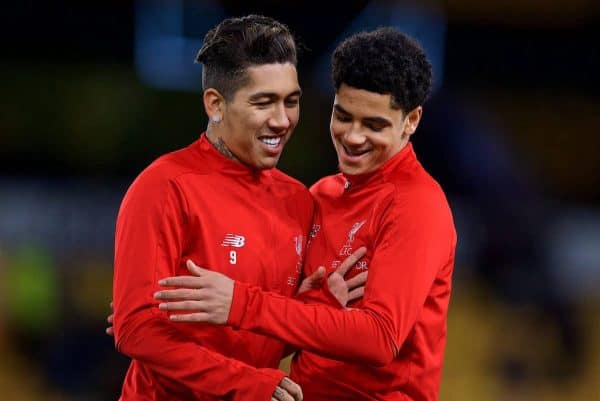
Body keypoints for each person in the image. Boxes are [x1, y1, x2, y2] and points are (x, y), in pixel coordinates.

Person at [155, 27, 457, 401]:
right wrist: (173, 317)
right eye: (343, 116)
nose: (353, 136)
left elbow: (379, 338)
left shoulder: (417, 206)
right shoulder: (321, 195)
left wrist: (240, 303)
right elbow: (287, 322)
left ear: (410, 121)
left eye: (374, 125)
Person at [111, 14, 365, 401]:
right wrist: (249, 385)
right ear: (215, 104)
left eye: (291, 101)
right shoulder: (163, 187)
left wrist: (319, 305)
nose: (282, 121)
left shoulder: (298, 201)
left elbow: (261, 338)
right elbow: (136, 329)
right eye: (263, 102)